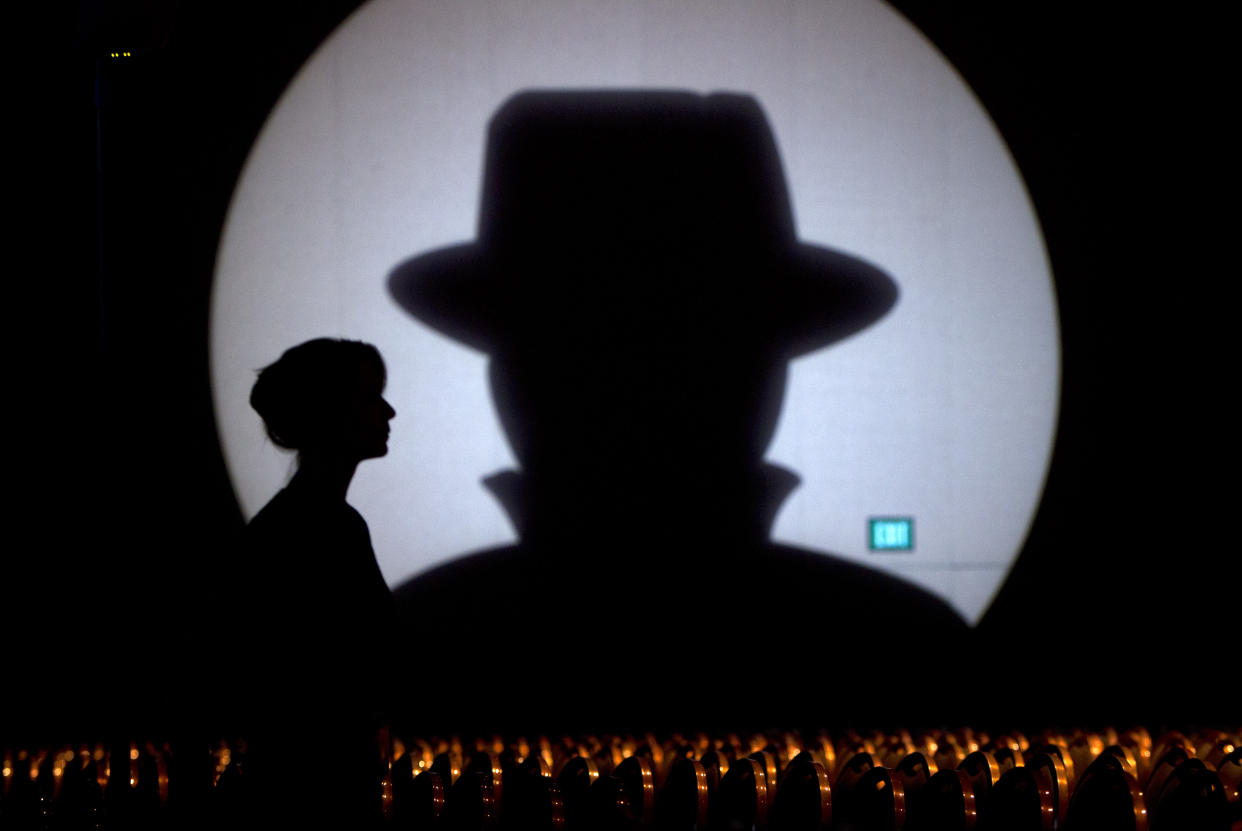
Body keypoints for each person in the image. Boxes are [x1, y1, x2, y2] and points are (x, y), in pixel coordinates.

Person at [230, 337, 397, 828]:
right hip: (317, 795)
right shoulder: (318, 530)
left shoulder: (307, 524)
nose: (389, 411)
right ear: (333, 411)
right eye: (370, 396)